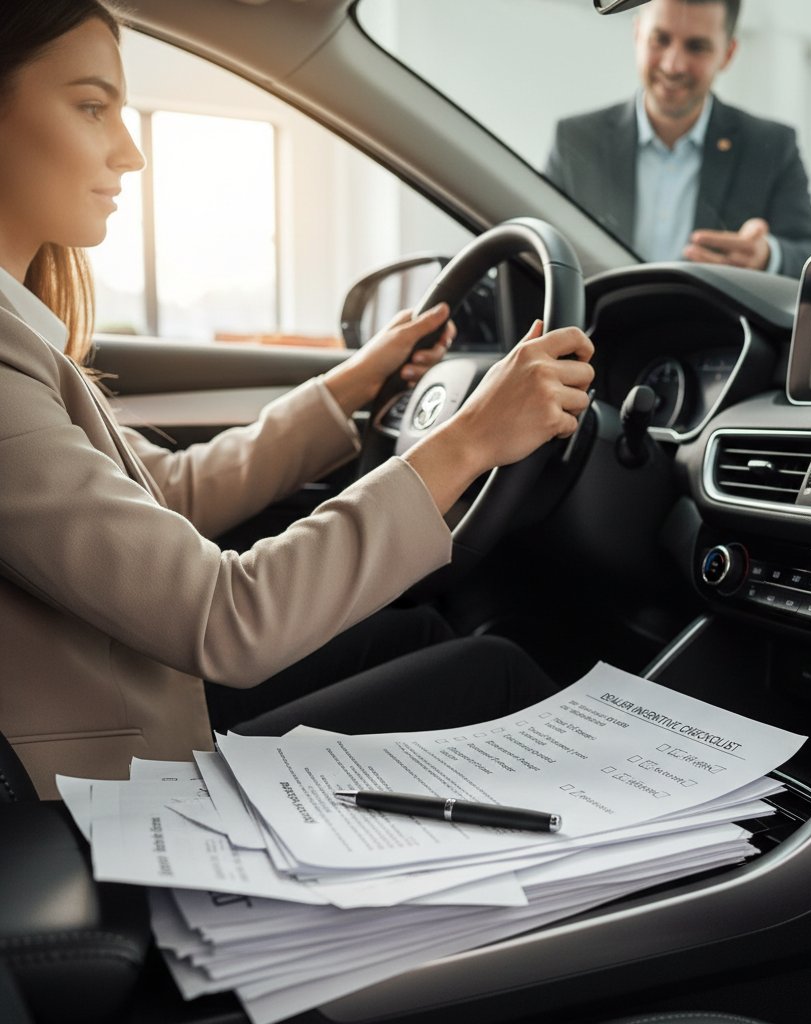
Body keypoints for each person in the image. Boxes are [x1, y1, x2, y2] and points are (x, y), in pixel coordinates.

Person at [0, 0, 595, 800]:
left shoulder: (23, 337)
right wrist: (469, 440)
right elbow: (226, 618)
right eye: (92, 106)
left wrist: (351, 384)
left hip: (124, 713)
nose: (130, 152)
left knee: (420, 633)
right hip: (94, 795)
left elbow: (166, 496)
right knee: (494, 671)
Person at [544, 0, 811, 278]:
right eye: (660, 39)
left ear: (728, 54)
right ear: (637, 34)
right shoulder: (576, 140)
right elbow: (538, 255)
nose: (673, 64)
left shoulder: (771, 147)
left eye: (696, 47)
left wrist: (767, 257)